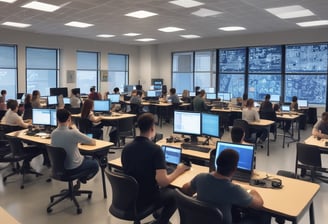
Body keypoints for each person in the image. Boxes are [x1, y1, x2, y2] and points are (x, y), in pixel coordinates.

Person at [121, 113, 189, 224]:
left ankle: (158, 215)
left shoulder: (126, 148)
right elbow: (163, 182)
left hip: (130, 197)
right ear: (152, 128)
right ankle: (161, 221)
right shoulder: (156, 150)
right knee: (176, 194)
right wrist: (179, 170)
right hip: (146, 197)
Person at [181, 149, 271, 224]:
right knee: (263, 216)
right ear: (234, 169)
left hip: (200, 220)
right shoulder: (234, 189)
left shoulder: (200, 177)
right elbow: (259, 204)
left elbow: (185, 189)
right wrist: (252, 190)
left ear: (217, 163)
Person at [51, 108, 99, 184]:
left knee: (85, 157)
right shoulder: (73, 132)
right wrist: (76, 129)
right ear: (69, 118)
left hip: (59, 168)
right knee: (95, 164)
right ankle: (82, 178)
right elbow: (92, 142)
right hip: (73, 168)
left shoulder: (53, 133)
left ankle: (79, 179)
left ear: (57, 119)